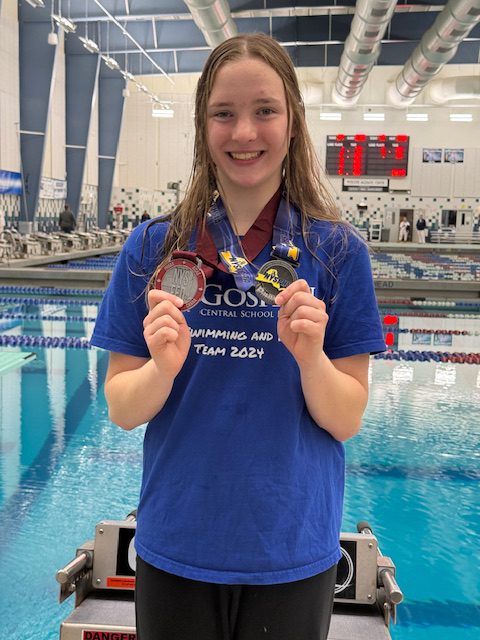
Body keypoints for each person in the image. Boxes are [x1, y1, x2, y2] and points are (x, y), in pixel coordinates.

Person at [90, 33, 385, 640]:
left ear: (292, 123)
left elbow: (346, 417)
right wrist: (162, 369)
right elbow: (121, 406)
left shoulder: (335, 254)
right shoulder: (153, 248)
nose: (244, 133)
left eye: (264, 111)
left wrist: (311, 360)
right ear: (203, 127)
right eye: (223, 114)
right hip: (178, 541)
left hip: (291, 545)